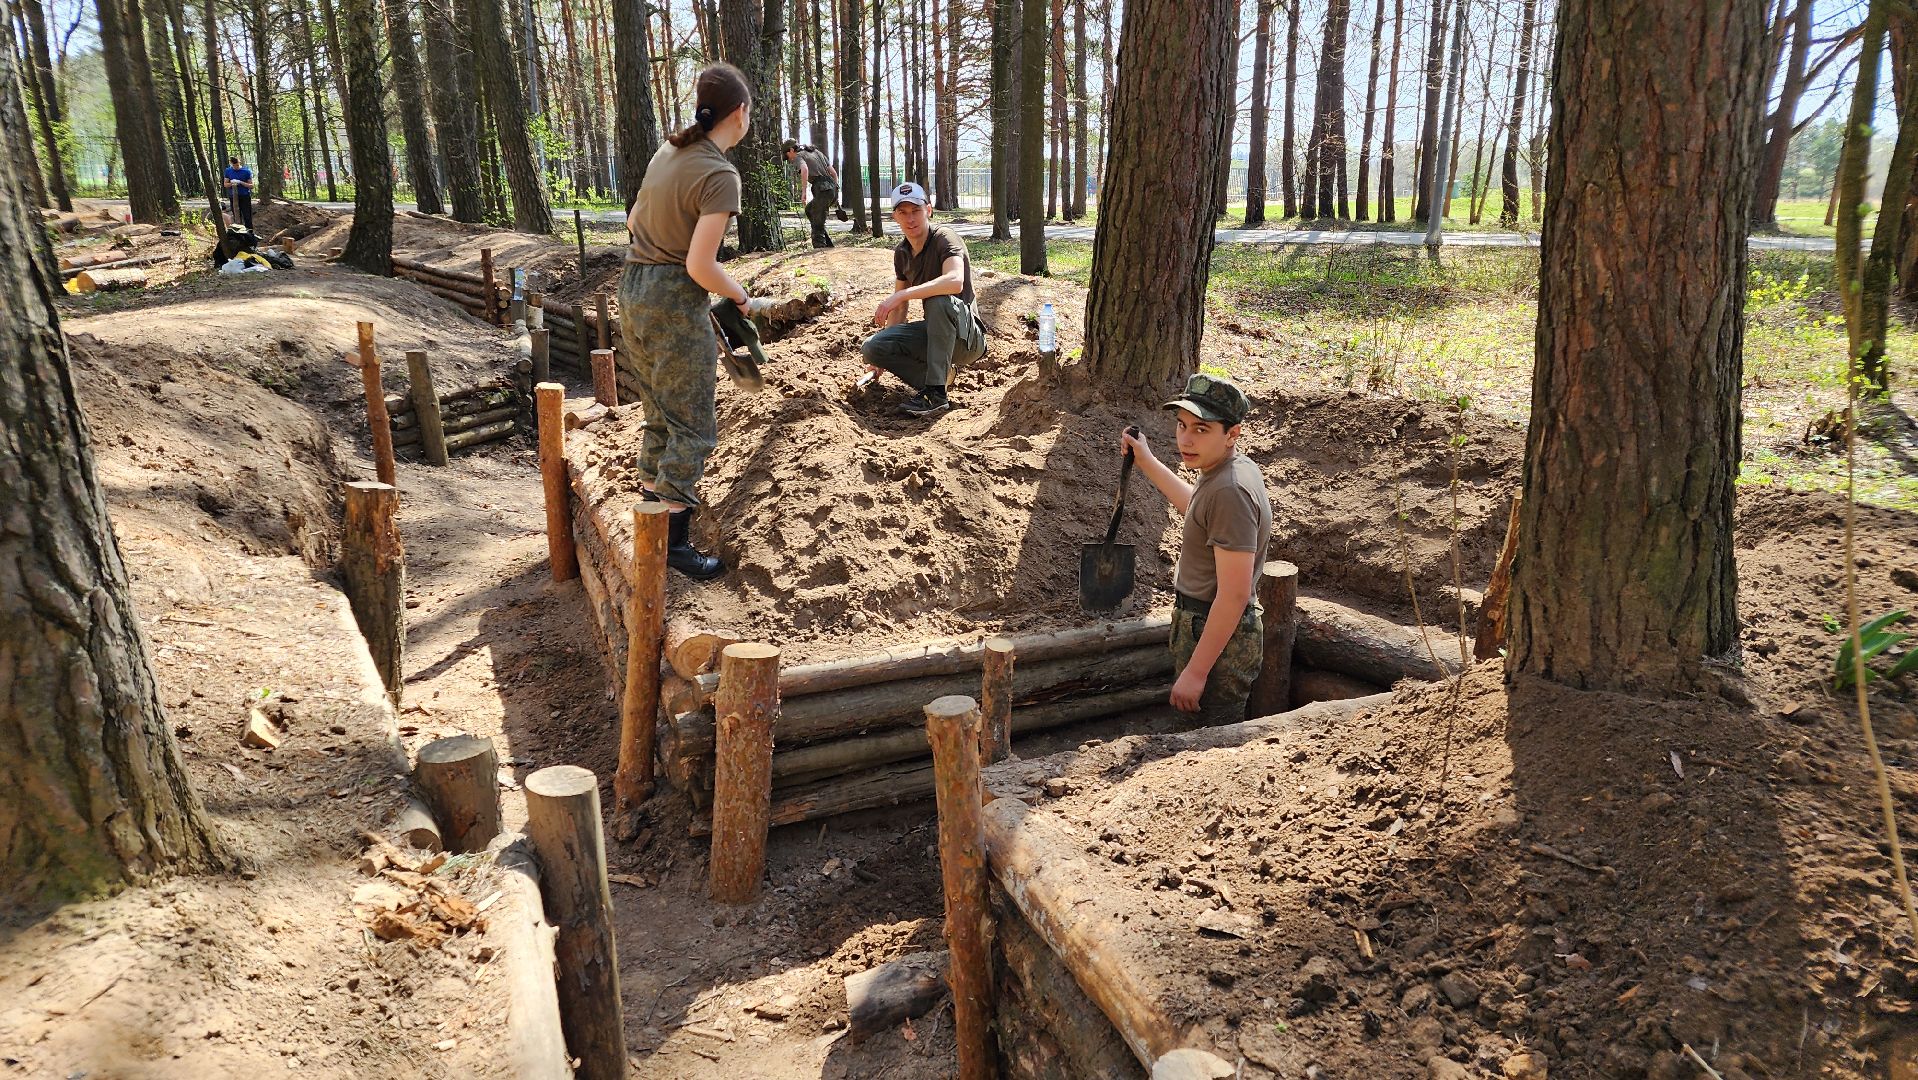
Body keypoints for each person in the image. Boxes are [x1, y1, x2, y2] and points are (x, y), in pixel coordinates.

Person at [620, 62, 763, 581]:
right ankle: (675, 547)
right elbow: (700, 267)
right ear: (740, 113)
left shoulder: (670, 150)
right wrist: (741, 296)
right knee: (694, 427)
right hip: (673, 300)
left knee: (659, 414)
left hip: (633, 288)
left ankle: (651, 530)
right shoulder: (720, 173)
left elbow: (635, 220)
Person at [1120, 374, 1273, 723]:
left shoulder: (1229, 491)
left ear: (1232, 434)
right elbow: (1198, 511)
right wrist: (1146, 461)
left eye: (1201, 429)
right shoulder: (1227, 468)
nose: (1186, 440)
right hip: (1209, 628)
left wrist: (1196, 672)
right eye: (1182, 425)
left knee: (1209, 749)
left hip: (1216, 635)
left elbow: (1233, 595)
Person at [859, 182, 987, 418]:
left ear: (928, 210)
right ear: (895, 217)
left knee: (938, 300)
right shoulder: (902, 253)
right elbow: (899, 311)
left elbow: (954, 280)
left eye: (916, 211)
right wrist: (881, 359)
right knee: (872, 347)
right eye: (903, 212)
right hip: (936, 335)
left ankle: (936, 395)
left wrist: (903, 293)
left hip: (967, 338)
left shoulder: (944, 238)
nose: (910, 218)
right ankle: (940, 378)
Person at [782, 139, 845, 248]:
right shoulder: (816, 152)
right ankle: (828, 245)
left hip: (822, 189)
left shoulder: (798, 156)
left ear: (792, 150)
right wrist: (835, 193)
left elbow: (805, 169)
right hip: (831, 188)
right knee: (810, 210)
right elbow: (833, 173)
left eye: (787, 156)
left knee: (817, 220)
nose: (789, 160)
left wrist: (804, 192)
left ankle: (819, 249)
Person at [223, 156, 254, 228]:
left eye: (237, 165)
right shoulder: (228, 171)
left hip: (244, 196)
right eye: (234, 165)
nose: (236, 167)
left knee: (247, 215)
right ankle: (239, 231)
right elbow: (225, 184)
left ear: (239, 163)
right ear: (231, 164)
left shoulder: (246, 171)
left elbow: (251, 185)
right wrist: (232, 183)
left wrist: (241, 182)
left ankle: (249, 232)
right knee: (236, 215)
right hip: (233, 197)